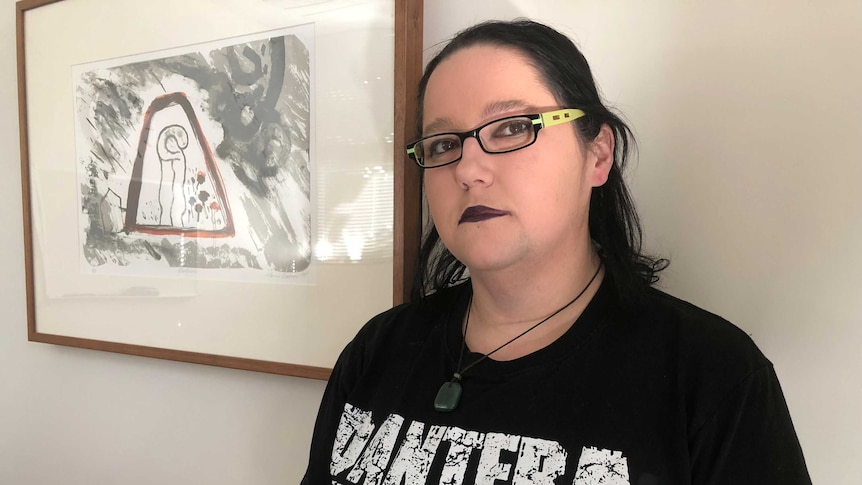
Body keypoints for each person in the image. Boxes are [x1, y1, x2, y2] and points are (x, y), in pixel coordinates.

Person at [302, 19, 811, 484]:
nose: (468, 169)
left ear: (598, 154)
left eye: (513, 128)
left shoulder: (712, 377)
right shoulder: (379, 351)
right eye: (441, 144)